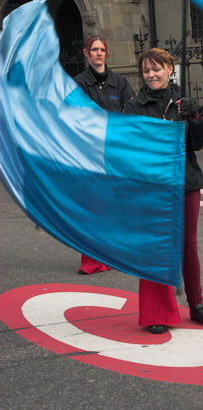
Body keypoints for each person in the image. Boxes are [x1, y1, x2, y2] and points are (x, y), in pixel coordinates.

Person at [124, 48, 203, 333]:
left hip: (186, 183)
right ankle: (157, 312)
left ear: (169, 69)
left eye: (156, 69)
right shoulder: (134, 106)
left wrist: (195, 116)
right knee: (156, 246)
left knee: (187, 246)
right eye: (146, 70)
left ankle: (196, 304)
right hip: (152, 186)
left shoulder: (184, 101)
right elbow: (131, 147)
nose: (151, 75)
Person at [75, 35, 135, 274]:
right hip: (89, 152)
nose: (99, 53)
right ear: (86, 53)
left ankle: (116, 254)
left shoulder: (119, 81)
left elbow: (131, 111)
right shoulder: (79, 83)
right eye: (94, 50)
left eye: (102, 50)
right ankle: (92, 259)